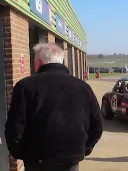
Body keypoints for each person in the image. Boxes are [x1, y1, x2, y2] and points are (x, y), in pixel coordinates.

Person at [5, 43, 103, 171]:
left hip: (36, 163)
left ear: (39, 63)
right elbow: (98, 125)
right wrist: (84, 149)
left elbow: (15, 128)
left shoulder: (25, 86)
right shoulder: (83, 87)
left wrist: (21, 154)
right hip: (70, 162)